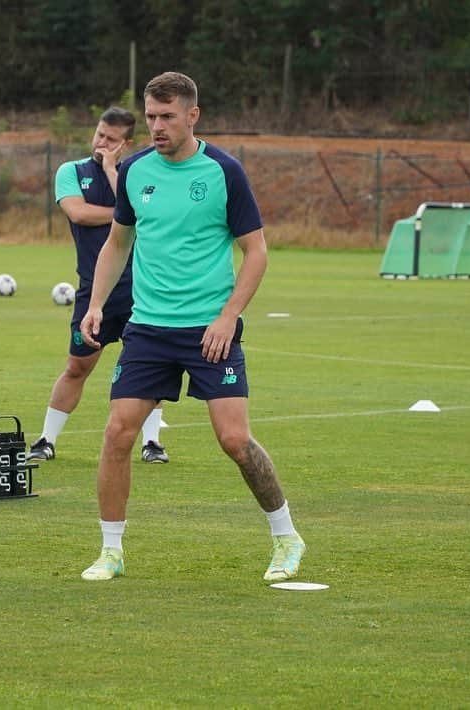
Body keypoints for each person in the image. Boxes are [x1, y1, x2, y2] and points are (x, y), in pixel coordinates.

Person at [78, 72, 305, 582]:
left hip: (209, 329)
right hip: (148, 330)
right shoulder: (134, 171)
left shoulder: (224, 172)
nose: (156, 126)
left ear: (192, 116)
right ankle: (110, 551)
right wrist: (96, 305)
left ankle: (286, 537)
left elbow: (256, 251)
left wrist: (228, 317)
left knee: (234, 440)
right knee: (117, 433)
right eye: (151, 116)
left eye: (167, 117)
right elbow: (117, 242)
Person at [27, 107, 169, 465]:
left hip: (142, 291)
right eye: (99, 134)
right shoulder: (71, 171)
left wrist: (112, 172)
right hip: (95, 292)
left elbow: (137, 204)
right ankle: (46, 439)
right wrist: (126, 216)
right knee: (77, 367)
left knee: (149, 367)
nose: (101, 142)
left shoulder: (138, 172)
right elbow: (78, 213)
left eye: (111, 139)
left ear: (127, 144)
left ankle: (152, 443)